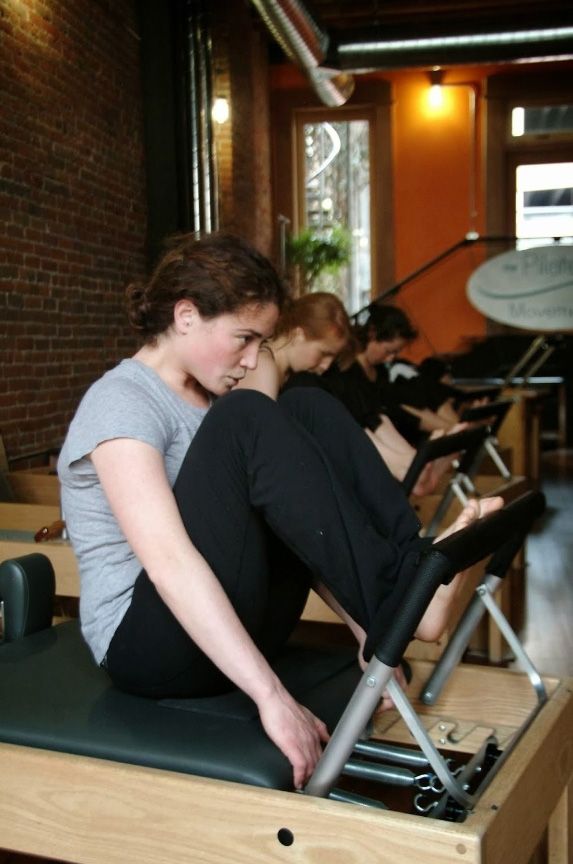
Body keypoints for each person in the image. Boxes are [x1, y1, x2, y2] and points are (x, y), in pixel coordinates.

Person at [58, 232, 502, 790]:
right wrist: (271, 697)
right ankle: (411, 597)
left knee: (307, 403)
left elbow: (296, 530)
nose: (251, 359)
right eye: (244, 339)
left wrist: (371, 638)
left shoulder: (212, 401)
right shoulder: (121, 401)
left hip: (229, 623)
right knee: (251, 416)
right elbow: (170, 561)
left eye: (260, 344)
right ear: (187, 315)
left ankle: (413, 583)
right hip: (148, 648)